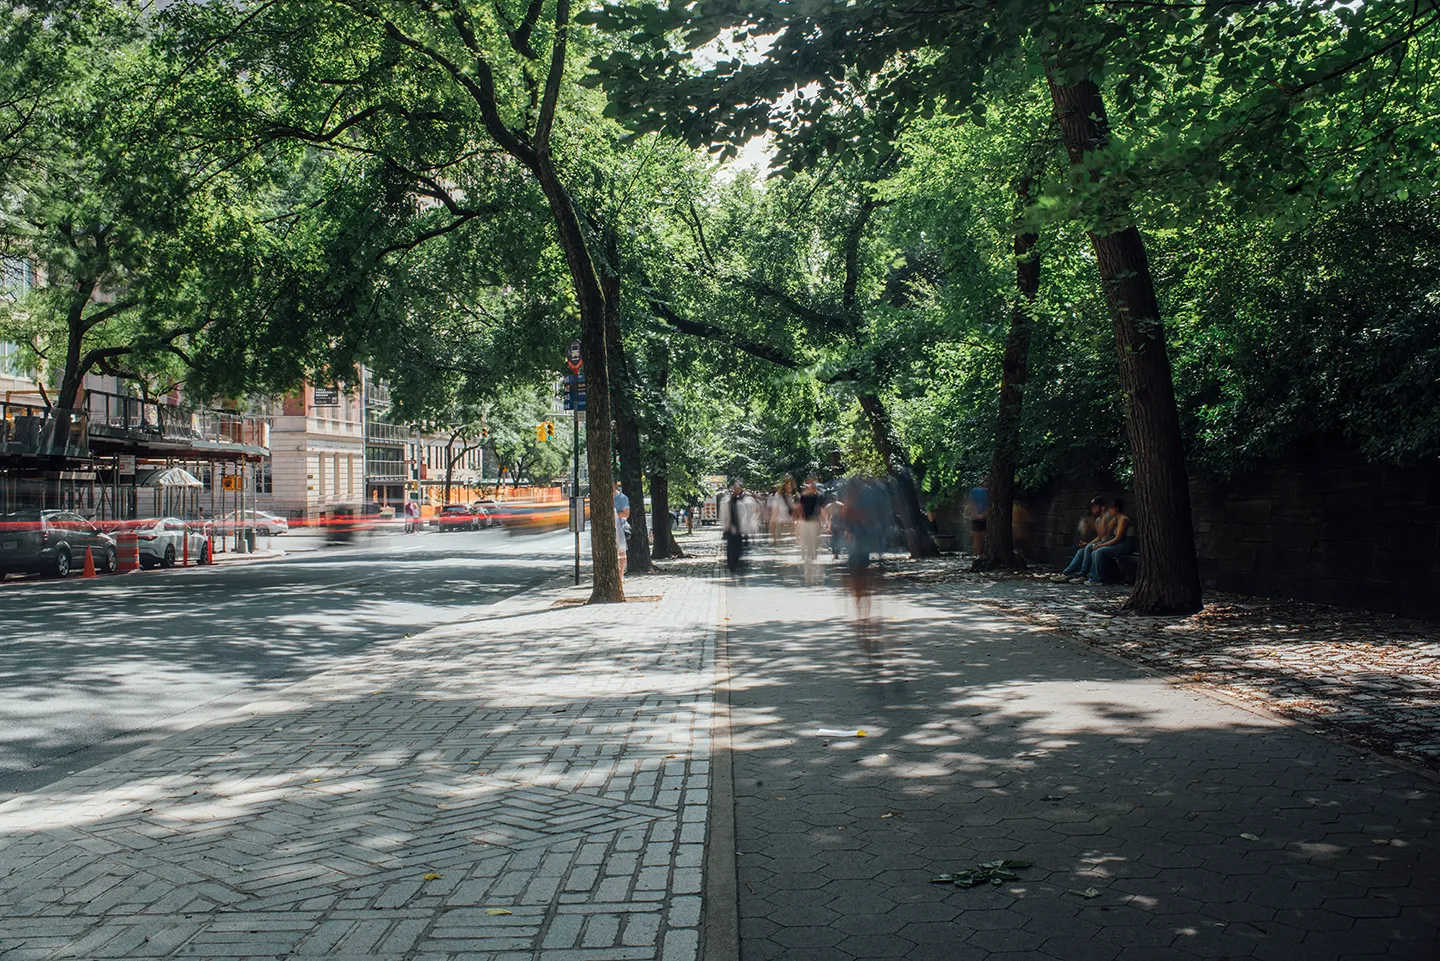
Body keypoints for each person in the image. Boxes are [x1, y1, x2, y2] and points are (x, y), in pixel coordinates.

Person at [1051, 496, 1107, 582]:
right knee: (1081, 551)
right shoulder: (1097, 519)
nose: (1093, 509)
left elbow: (1105, 536)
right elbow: (1099, 537)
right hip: (1100, 543)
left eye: (1095, 507)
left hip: (1107, 543)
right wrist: (1087, 543)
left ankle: (1083, 574)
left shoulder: (1107, 518)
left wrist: (1090, 545)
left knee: (1088, 549)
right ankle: (1066, 574)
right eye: (1092, 507)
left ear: (1102, 507)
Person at [1081, 498, 1134, 586]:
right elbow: (1104, 533)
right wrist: (1104, 518)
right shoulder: (1115, 519)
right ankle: (1086, 574)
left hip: (1125, 544)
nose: (1109, 511)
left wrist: (1101, 545)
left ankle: (1097, 579)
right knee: (1091, 548)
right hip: (1117, 542)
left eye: (1110, 508)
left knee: (1098, 551)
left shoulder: (1123, 519)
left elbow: (1117, 538)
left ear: (1116, 508)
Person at [795, 476, 823, 584]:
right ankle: (808, 553)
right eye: (810, 484)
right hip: (806, 521)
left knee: (814, 538)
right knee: (807, 538)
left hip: (815, 520)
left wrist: (822, 521)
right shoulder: (803, 497)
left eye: (813, 485)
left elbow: (820, 509)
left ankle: (812, 553)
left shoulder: (817, 497)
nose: (811, 486)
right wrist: (800, 519)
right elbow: (800, 508)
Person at [721, 480, 748, 573]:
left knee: (738, 548)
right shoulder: (727, 501)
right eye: (734, 488)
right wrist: (725, 526)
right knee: (731, 549)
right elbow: (723, 515)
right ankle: (732, 566)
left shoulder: (741, 500)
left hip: (739, 529)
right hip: (730, 529)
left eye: (738, 489)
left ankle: (736, 564)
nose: (735, 490)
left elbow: (744, 513)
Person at [613, 480, 631, 583]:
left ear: (615, 485)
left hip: (620, 527)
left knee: (621, 552)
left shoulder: (622, 498)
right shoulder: (604, 498)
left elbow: (626, 514)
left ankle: (620, 575)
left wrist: (613, 514)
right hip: (608, 528)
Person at [968, 481, 989, 555]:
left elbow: (971, 504)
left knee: (978, 536)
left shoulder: (989, 492)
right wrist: (981, 514)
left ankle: (979, 554)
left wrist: (978, 514)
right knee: (979, 535)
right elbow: (971, 503)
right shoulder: (975, 491)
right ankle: (979, 554)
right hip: (981, 517)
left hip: (980, 517)